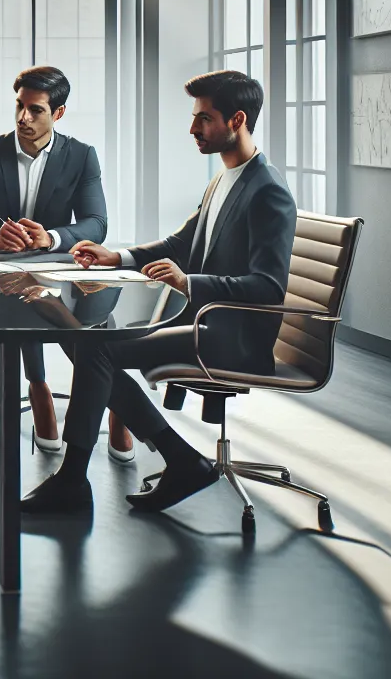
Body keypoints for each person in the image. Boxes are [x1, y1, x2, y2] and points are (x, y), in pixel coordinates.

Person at [19, 69, 297, 517]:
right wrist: (119, 257)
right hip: (205, 322)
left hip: (234, 337)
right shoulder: (227, 178)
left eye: (204, 119)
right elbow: (181, 244)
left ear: (237, 119)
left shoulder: (268, 191)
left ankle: (75, 478)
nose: (193, 129)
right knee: (83, 339)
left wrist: (188, 283)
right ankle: (178, 460)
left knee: (96, 348)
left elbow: (267, 288)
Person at [0, 65, 133, 461]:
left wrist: (51, 237)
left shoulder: (81, 156)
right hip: (7, 275)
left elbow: (95, 223)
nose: (23, 118)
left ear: (58, 114)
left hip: (59, 264)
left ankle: (110, 396)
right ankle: (45, 387)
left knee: (97, 303)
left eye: (36, 110)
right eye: (19, 107)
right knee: (34, 298)